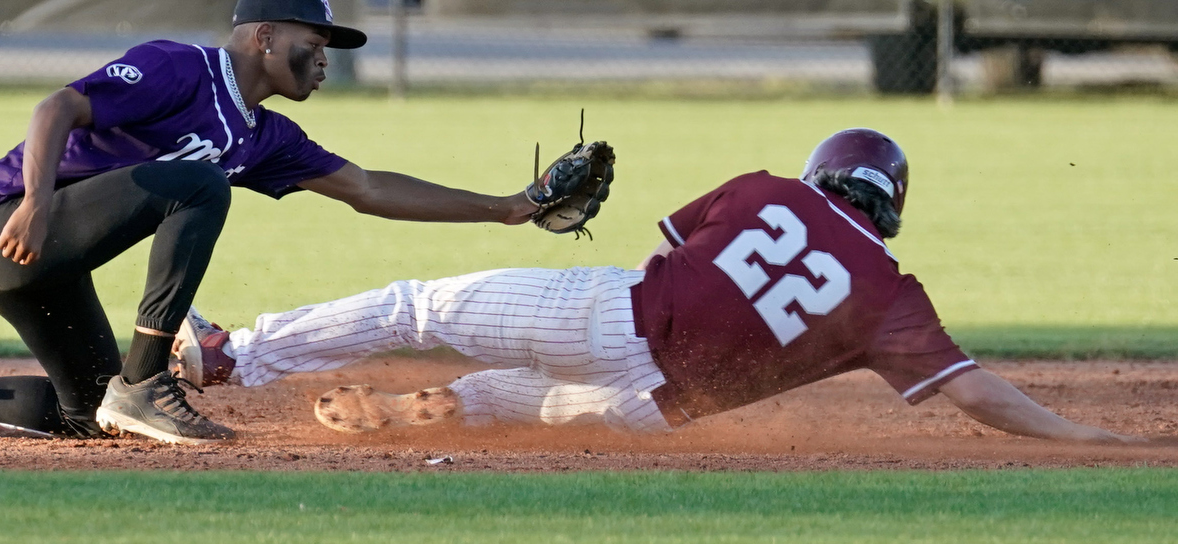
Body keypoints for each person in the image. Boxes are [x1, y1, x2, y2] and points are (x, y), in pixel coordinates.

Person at [0, 0, 538, 445]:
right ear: (262, 36)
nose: (323, 61)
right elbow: (57, 107)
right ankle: (146, 380)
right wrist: (36, 204)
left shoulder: (264, 135)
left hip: (49, 259)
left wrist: (508, 208)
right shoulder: (182, 67)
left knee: (87, 416)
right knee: (201, 184)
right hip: (8, 228)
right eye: (312, 44)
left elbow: (370, 189)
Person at [172, 128, 1140, 443]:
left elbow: (676, 245)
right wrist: (1072, 434)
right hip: (658, 406)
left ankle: (230, 356)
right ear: (888, 206)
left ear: (822, 174)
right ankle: (427, 413)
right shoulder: (889, 293)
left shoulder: (769, 189)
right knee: (524, 398)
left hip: (617, 316)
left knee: (418, 307)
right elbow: (968, 388)